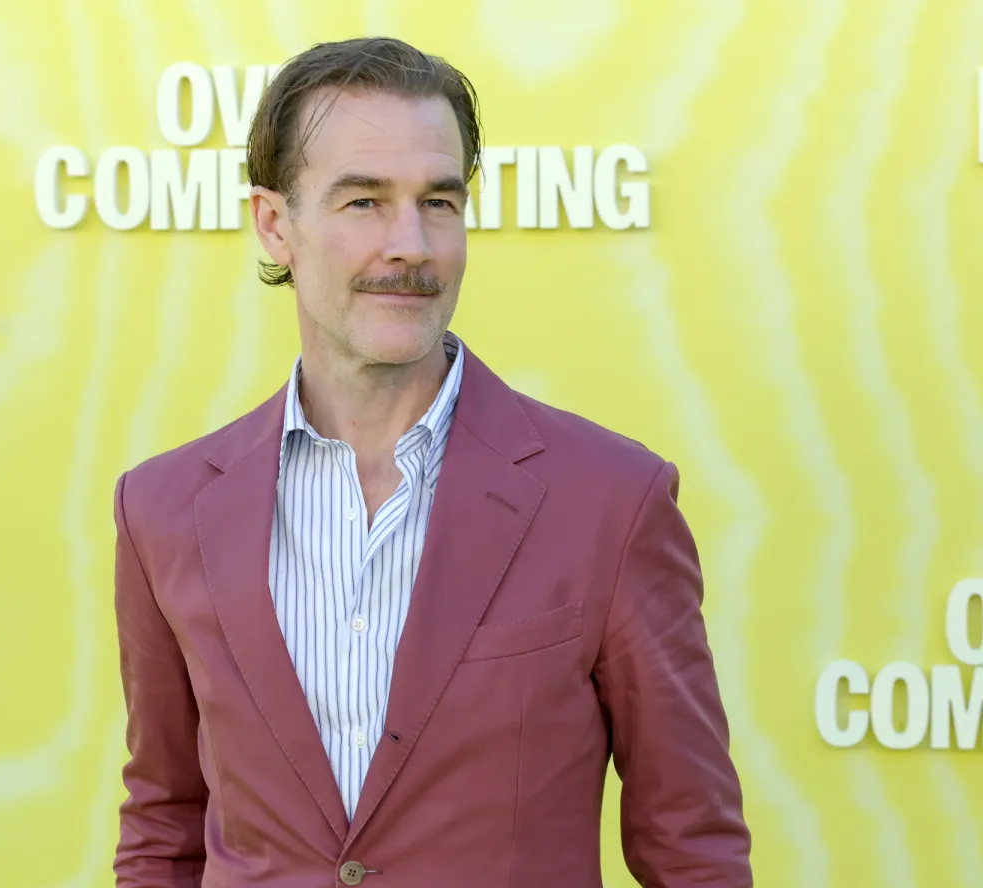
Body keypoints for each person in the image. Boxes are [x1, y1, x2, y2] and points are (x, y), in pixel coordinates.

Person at [111, 35, 752, 888]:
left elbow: (694, 850)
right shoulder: (163, 510)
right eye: (364, 202)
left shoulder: (612, 501)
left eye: (439, 202)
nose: (410, 244)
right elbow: (164, 829)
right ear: (275, 224)